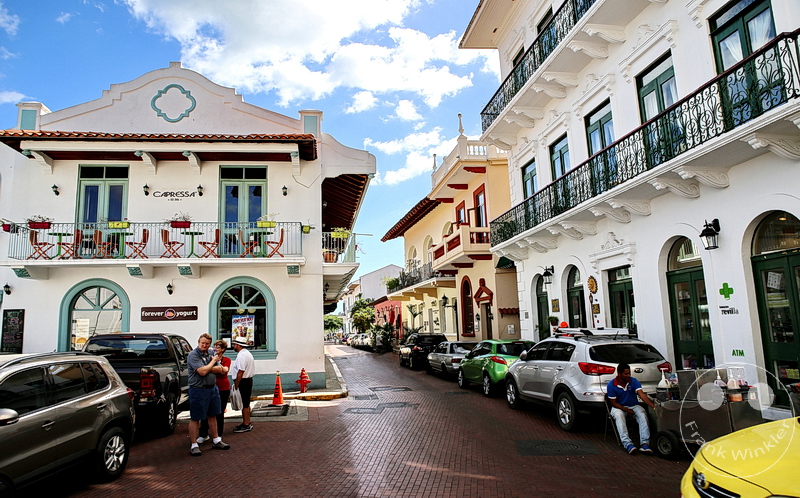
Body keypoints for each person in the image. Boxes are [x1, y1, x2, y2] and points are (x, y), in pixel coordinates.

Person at [187, 333, 231, 456]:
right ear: (198, 342)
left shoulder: (211, 353)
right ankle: (194, 444)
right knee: (196, 417)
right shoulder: (193, 355)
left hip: (212, 389)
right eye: (202, 343)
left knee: (213, 415)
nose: (204, 345)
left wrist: (208, 367)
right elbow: (202, 372)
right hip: (198, 389)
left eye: (207, 344)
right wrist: (212, 364)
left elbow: (221, 369)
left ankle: (216, 440)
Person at [607, 362, 656, 455]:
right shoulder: (611, 385)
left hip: (633, 405)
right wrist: (626, 410)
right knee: (618, 415)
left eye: (629, 373)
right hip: (619, 407)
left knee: (642, 414)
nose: (628, 375)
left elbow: (642, 395)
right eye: (626, 374)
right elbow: (614, 403)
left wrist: (654, 407)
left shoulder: (633, 381)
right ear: (619, 373)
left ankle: (645, 443)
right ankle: (627, 443)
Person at [198, 340, 231, 443]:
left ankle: (218, 434)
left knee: (219, 412)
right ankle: (203, 434)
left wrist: (209, 368)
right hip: (209, 387)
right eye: (214, 346)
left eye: (218, 347)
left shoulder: (226, 360)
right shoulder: (208, 358)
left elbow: (224, 370)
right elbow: (203, 369)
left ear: (223, 350)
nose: (215, 349)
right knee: (205, 411)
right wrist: (215, 368)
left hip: (223, 388)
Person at [231, 335, 255, 433]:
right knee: (246, 402)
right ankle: (247, 422)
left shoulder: (241, 356)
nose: (234, 346)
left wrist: (236, 384)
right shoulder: (247, 354)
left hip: (243, 381)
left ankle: (246, 424)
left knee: (244, 403)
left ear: (238, 345)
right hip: (248, 380)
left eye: (235, 344)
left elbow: (240, 371)